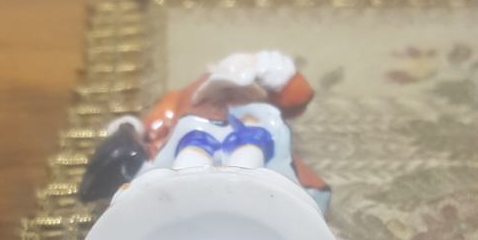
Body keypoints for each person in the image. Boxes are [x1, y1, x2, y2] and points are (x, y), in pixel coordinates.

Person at [79, 51, 330, 213]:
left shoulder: (259, 120)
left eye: (234, 94)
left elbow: (298, 97)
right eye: (221, 95)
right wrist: (131, 133)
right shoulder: (187, 116)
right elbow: (155, 127)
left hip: (259, 186)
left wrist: (267, 67)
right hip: (182, 177)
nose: (225, 102)